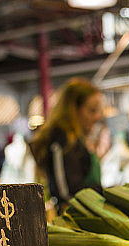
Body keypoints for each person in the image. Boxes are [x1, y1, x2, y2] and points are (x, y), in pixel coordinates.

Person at [30, 78, 105, 209]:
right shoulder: (61, 139)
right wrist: (103, 192)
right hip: (73, 218)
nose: (98, 117)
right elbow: (65, 191)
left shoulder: (77, 139)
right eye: (92, 110)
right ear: (74, 109)